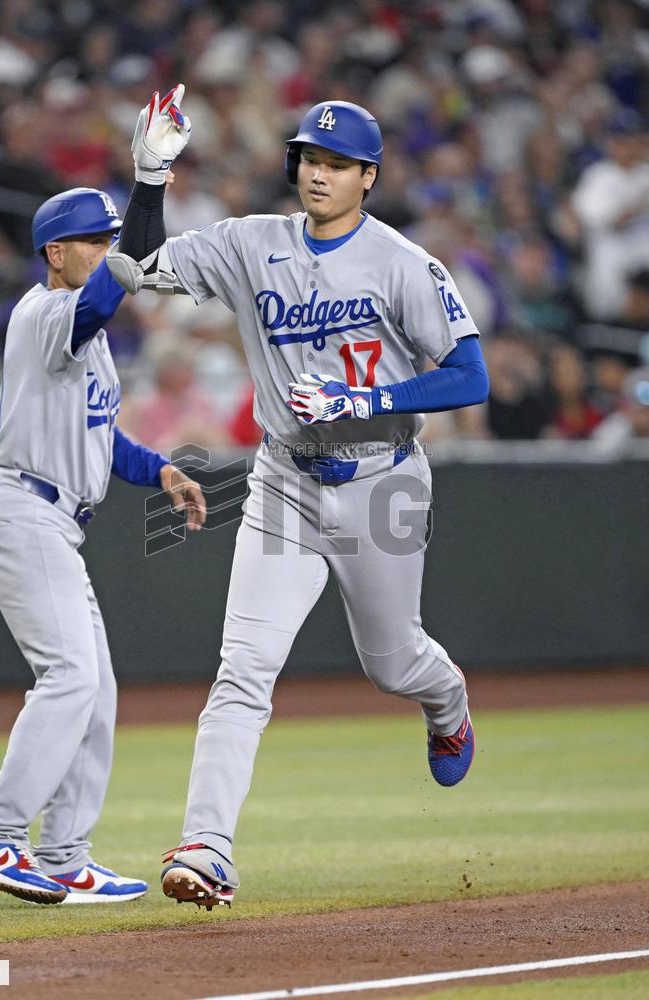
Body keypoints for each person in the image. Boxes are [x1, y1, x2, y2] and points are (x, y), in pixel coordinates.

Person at [107, 96, 490, 908]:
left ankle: (447, 700)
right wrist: (149, 179)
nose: (319, 172)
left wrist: (360, 400)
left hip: (384, 476)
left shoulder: (400, 262)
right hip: (283, 479)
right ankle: (206, 849)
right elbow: (136, 269)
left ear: (368, 177)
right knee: (242, 672)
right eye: (310, 158)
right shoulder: (252, 244)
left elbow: (470, 375)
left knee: (393, 663)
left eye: (338, 163)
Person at [0, 87, 206, 905]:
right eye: (90, 241)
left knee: (95, 690)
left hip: (55, 516)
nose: (104, 249)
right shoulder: (46, 312)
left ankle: (63, 857)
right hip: (24, 514)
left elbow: (103, 441)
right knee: (68, 679)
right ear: (56, 253)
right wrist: (148, 182)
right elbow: (120, 281)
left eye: (105, 237)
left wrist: (159, 469)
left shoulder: (83, 343)